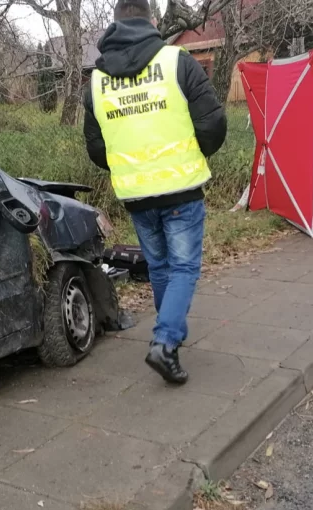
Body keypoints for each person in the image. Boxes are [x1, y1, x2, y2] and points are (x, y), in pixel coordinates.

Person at [83, 0, 227, 385]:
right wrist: (191, 155)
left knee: (161, 268)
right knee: (183, 268)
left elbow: (96, 147)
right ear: (153, 20)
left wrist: (131, 167)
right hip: (180, 190)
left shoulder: (97, 81)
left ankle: (171, 334)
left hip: (136, 194)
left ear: (115, 22)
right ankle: (164, 343)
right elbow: (213, 123)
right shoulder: (178, 62)